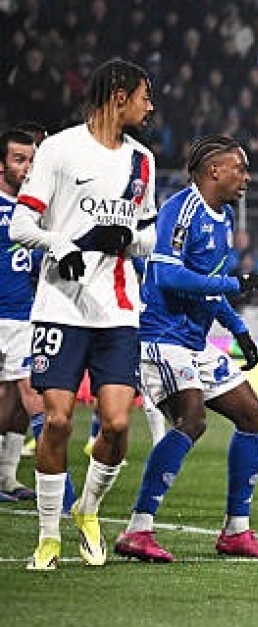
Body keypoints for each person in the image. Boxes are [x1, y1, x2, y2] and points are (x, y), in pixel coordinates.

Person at [10, 58, 160, 571]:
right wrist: (63, 243)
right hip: (60, 307)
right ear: (119, 95)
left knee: (117, 424)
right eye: (144, 95)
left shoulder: (143, 161)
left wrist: (131, 239)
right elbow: (21, 225)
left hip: (118, 309)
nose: (150, 105)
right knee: (55, 421)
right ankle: (48, 537)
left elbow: (150, 235)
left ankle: (88, 510)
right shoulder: (59, 149)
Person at [114, 135, 258, 562]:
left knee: (255, 414)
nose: (246, 176)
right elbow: (169, 276)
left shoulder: (222, 219)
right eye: (239, 168)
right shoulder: (181, 210)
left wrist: (238, 329)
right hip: (161, 336)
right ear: (214, 171)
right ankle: (138, 528)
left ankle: (236, 532)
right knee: (192, 419)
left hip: (193, 341)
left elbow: (208, 288)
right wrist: (239, 283)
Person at [0, 128, 40, 503]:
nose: (27, 167)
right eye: (18, 159)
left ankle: (8, 477)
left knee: (24, 397)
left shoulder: (32, 212)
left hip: (24, 317)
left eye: (31, 159)